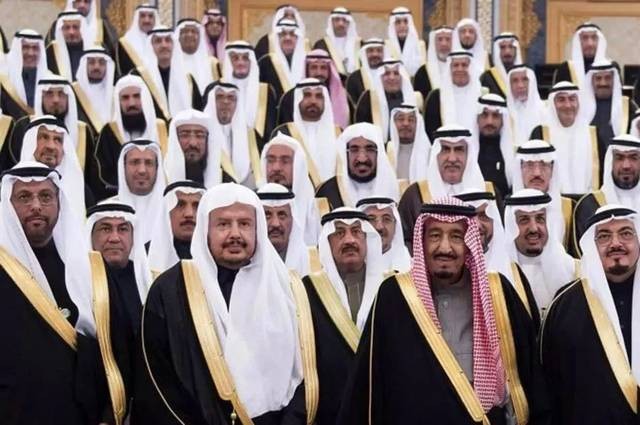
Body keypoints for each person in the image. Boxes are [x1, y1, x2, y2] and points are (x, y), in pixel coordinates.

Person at [337, 197, 550, 424]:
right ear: (421, 241)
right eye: (435, 236)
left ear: (469, 244)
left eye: (456, 236)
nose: (445, 248)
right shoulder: (394, 296)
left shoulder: (497, 293)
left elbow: (529, 380)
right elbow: (366, 387)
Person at [133, 183, 315, 425]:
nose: (235, 234)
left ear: (258, 229)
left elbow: (306, 372)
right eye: (223, 224)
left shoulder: (287, 288)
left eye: (245, 224)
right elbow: (158, 382)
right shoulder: (169, 290)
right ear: (205, 230)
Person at [0, 161, 127, 425]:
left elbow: (118, 349)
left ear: (59, 204)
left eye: (46, 196)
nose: (36, 205)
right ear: (7, 205)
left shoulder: (91, 270)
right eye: (24, 197)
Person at [542, 204, 640, 423]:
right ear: (591, 246)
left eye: (625, 233)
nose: (615, 243)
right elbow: (551, 386)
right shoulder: (564, 306)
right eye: (604, 236)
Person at [302, 207, 385, 425]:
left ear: (367, 240)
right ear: (327, 243)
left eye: (356, 232)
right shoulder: (308, 289)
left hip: (380, 407)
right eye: (339, 233)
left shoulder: (390, 287)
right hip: (329, 412)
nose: (349, 240)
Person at [398, 125, 490, 248]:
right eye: (445, 149)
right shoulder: (414, 195)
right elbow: (405, 242)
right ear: (435, 154)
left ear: (469, 154)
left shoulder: (489, 193)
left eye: (459, 149)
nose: (452, 159)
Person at [504, 189, 579, 317]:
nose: (534, 228)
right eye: (524, 220)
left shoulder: (574, 271)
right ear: (512, 226)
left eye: (540, 219)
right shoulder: (500, 273)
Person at [3, 76, 96, 179]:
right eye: (49, 94)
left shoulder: (83, 130)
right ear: (40, 97)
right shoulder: (24, 126)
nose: (56, 100)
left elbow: (91, 174)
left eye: (61, 94)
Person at [94, 74, 167, 200]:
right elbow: (104, 174)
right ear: (118, 102)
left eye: (137, 96)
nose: (131, 103)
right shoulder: (109, 131)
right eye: (125, 98)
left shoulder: (161, 128)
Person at [86, 199, 151, 335]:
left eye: (122, 229)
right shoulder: (79, 281)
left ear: (133, 238)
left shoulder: (149, 281)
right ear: (91, 236)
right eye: (106, 229)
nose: (114, 238)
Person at [530, 81, 599, 196]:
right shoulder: (540, 134)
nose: (568, 105)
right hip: (551, 200)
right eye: (561, 100)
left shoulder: (593, 135)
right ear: (553, 104)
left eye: (572, 99)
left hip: (587, 201)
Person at [574, 134, 640, 250]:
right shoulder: (590, 204)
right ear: (610, 162)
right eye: (619, 158)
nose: (626, 166)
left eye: (633, 158)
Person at [272, 78, 340, 186]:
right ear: (298, 99)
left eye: (319, 96)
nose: (313, 101)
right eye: (307, 95)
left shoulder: (339, 133)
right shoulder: (284, 133)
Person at [18, 115, 92, 214]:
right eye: (44, 137)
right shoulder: (12, 186)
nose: (51, 146)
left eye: (58, 140)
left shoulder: (82, 191)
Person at [315, 122, 400, 208]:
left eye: (370, 149)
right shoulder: (327, 193)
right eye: (354, 150)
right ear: (345, 154)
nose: (362, 158)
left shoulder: (396, 191)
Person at [259, 133, 322, 245]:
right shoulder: (251, 206)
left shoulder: (317, 211)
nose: (276, 168)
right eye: (271, 160)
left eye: (285, 161)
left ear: (299, 165)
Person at [511, 140, 575, 249]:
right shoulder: (504, 211)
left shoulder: (570, 209)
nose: (537, 173)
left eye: (544, 165)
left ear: (553, 170)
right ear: (519, 169)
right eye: (529, 165)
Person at [202, 80, 263, 187]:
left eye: (231, 98)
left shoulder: (251, 136)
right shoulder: (201, 135)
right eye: (219, 97)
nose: (225, 101)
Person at [135, 25, 199, 121]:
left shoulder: (187, 79)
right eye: (158, 41)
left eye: (168, 40)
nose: (164, 45)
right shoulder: (139, 77)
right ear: (150, 46)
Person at [582, 60, 637, 168]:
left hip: (622, 166)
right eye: (598, 78)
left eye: (607, 78)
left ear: (614, 80)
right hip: (588, 164)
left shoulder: (627, 106)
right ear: (591, 81)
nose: (603, 83)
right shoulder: (580, 107)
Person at [277, 49, 351, 129]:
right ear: (307, 70)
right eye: (314, 67)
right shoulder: (291, 97)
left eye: (323, 68)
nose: (319, 72)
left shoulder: (343, 96)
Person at [147, 180, 205, 277]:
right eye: (180, 204)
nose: (189, 214)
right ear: (166, 211)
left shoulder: (219, 255)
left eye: (196, 206)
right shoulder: (144, 257)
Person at [164, 109, 234, 187]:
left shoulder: (225, 183)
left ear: (208, 141)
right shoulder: (162, 176)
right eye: (185, 135)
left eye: (200, 136)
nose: (193, 143)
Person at [222, 40, 278, 139]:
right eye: (235, 58)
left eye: (245, 58)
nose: (240, 63)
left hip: (257, 145)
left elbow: (270, 127)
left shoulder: (265, 91)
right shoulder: (216, 90)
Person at [423, 51, 483, 139]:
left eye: (464, 65)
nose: (460, 69)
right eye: (455, 65)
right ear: (449, 68)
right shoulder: (436, 97)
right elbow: (430, 129)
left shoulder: (482, 95)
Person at [116, 139, 165, 246]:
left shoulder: (171, 209)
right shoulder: (108, 209)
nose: (142, 170)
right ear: (123, 167)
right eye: (135, 162)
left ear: (157, 168)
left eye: (149, 163)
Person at [354, 59, 419, 139]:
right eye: (387, 74)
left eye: (396, 73)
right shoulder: (368, 99)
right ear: (380, 77)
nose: (392, 77)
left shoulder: (413, 99)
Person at [257, 183, 311, 276]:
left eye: (282, 215)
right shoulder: (245, 263)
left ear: (292, 220)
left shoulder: (311, 263)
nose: (275, 224)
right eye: (267, 215)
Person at [472, 93, 515, 196]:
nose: (489, 121)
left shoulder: (512, 154)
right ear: (477, 118)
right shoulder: (467, 150)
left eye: (495, 116)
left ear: (503, 120)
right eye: (485, 115)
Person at [0, 29, 48, 119]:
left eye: (35, 48)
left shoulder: (48, 78)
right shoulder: (3, 78)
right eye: (25, 47)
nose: (30, 53)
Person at [357, 197, 411, 273]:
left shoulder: (408, 264)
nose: (379, 227)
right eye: (371, 219)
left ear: (395, 226)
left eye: (386, 219)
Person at [258, 18, 307, 100]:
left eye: (292, 34)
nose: (288, 38)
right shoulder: (265, 62)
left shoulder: (308, 62)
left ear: (298, 38)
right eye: (283, 34)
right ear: (276, 38)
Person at [72, 47, 116, 135]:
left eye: (101, 63)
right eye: (91, 62)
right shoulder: (74, 92)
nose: (96, 67)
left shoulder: (116, 93)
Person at [173, 18, 220, 95]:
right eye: (185, 31)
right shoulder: (171, 63)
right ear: (178, 36)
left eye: (194, 32)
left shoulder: (212, 64)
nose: (190, 35)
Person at [553, 22, 609, 87]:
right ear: (578, 42)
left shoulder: (610, 68)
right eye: (585, 38)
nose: (590, 44)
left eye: (594, 38)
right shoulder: (566, 68)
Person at [386, 103, 431, 183]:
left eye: (411, 120)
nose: (406, 124)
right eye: (401, 119)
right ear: (393, 123)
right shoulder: (384, 151)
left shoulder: (430, 153)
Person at [505, 65, 545, 145]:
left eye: (525, 79)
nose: (520, 85)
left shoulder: (545, 110)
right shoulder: (503, 112)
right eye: (515, 81)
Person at [313, 7, 360, 76]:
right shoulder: (321, 45)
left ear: (349, 23)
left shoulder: (359, 44)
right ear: (331, 22)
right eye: (337, 20)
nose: (341, 24)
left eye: (344, 20)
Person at [115, 4, 159, 75]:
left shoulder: (163, 42)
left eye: (150, 16)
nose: (147, 20)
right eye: (143, 16)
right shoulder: (126, 43)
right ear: (137, 19)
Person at [46, 10, 89, 82]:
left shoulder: (91, 51)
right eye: (67, 28)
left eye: (75, 27)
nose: (71, 32)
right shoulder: (51, 53)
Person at [413, 25, 453, 97]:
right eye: (440, 39)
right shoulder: (423, 72)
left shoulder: (462, 69)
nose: (444, 44)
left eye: (448, 39)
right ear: (433, 43)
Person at [345, 38, 387, 106]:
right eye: (370, 51)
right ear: (364, 54)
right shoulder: (354, 78)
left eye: (379, 51)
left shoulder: (392, 76)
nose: (375, 54)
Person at [385, 7, 426, 77]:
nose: (402, 26)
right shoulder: (386, 45)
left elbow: (422, 69)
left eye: (405, 22)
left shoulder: (420, 45)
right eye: (398, 22)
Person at [480, 33, 522, 98]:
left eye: (511, 47)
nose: (507, 51)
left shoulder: (526, 76)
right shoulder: (487, 77)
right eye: (502, 47)